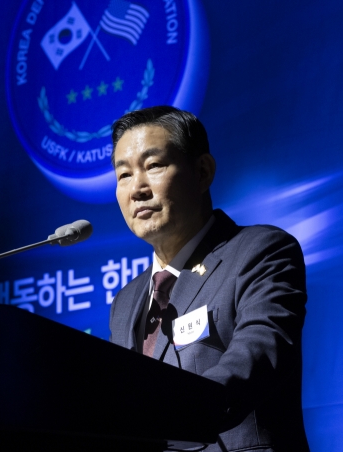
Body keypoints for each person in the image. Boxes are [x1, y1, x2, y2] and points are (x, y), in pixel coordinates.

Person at [108, 106, 309, 451]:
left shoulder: (260, 251)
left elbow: (255, 358)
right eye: (124, 175)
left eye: (153, 166)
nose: (137, 188)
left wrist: (169, 416)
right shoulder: (126, 301)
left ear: (202, 172)